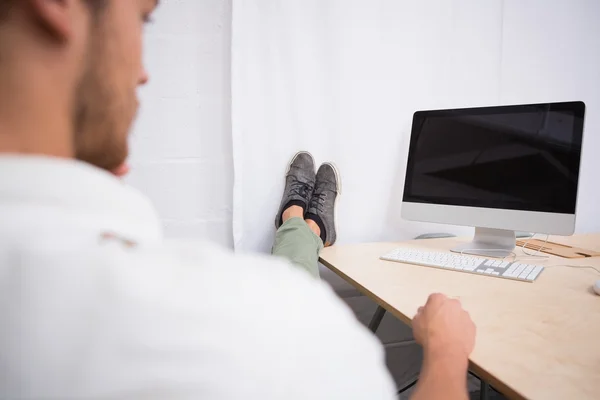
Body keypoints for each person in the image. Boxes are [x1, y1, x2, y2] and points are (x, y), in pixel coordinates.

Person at [0, 0, 476, 399]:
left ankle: (300, 222)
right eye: (143, 18)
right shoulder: (264, 328)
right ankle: (307, 226)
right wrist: (446, 352)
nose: (144, 74)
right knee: (296, 279)